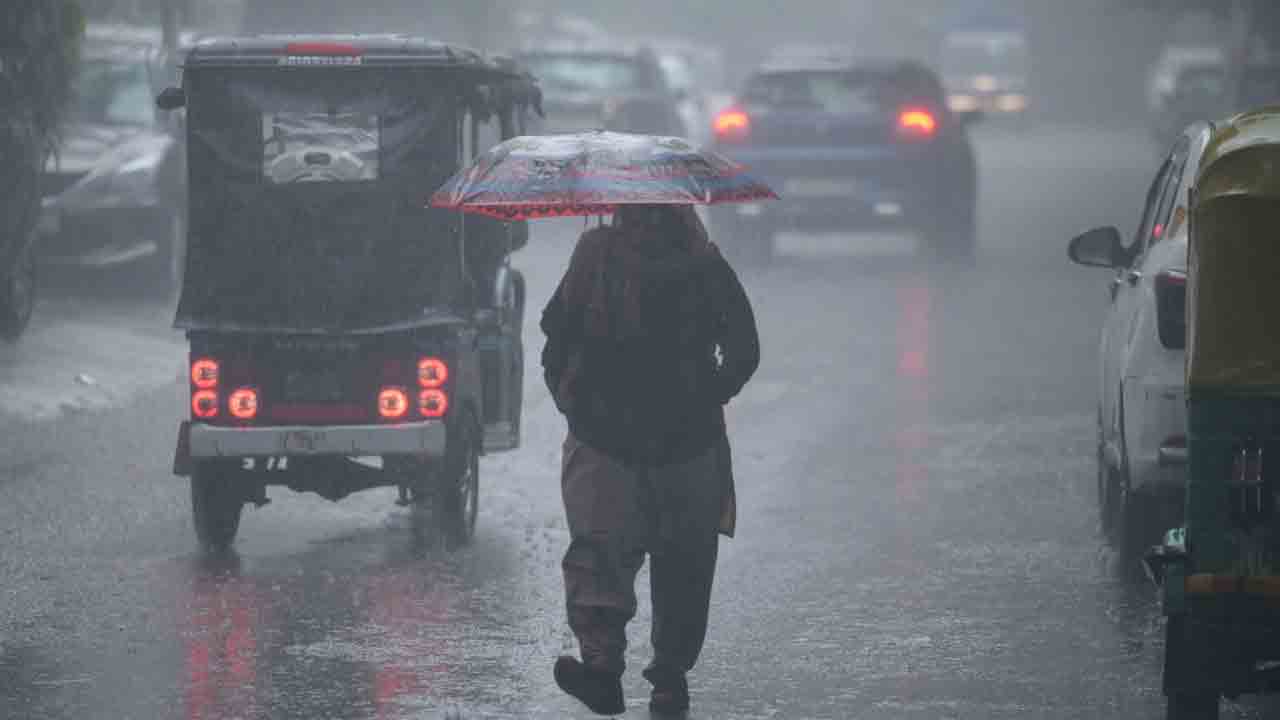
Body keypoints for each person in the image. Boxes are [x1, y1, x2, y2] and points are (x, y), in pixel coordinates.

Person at [540, 204, 759, 716]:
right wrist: (705, 394)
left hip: (606, 437)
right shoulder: (704, 263)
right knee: (684, 562)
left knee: (599, 554)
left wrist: (571, 395)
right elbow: (744, 348)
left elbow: (558, 332)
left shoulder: (595, 254)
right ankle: (667, 680)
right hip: (683, 442)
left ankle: (603, 669)